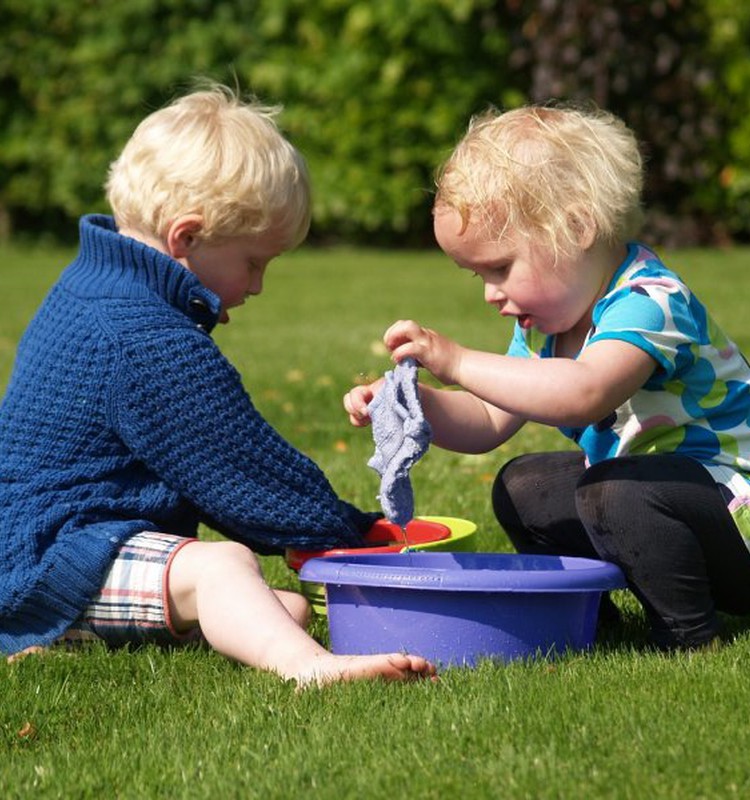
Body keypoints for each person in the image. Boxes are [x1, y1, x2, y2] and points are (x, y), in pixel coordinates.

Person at [0, 84, 436, 686]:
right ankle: (311, 671)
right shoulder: (142, 335)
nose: (257, 285)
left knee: (284, 608)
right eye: (254, 262)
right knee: (224, 568)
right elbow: (244, 472)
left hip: (66, 546)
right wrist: (352, 533)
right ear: (186, 238)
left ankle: (67, 638)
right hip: (46, 558)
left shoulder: (97, 285)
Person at [344, 103, 750, 651]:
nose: (490, 293)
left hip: (732, 518)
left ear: (577, 229)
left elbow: (584, 393)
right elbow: (488, 418)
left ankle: (689, 635)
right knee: (525, 484)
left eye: (501, 268)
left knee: (612, 491)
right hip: (657, 502)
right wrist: (411, 401)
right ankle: (586, 613)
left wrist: (458, 359)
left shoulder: (651, 301)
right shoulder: (546, 329)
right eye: (478, 274)